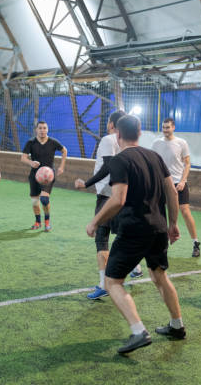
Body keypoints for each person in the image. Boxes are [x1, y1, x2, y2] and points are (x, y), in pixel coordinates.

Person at [86, 115, 186, 354]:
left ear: (117, 135)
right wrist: (172, 222)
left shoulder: (120, 160)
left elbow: (118, 199)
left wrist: (95, 221)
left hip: (134, 229)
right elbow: (171, 192)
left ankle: (138, 331)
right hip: (159, 227)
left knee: (112, 281)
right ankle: (177, 326)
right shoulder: (155, 157)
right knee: (159, 275)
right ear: (140, 133)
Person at [75, 111, 127, 300]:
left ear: (112, 124)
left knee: (101, 239)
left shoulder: (108, 139)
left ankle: (103, 284)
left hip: (107, 195)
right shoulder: (126, 142)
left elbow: (108, 166)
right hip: (123, 195)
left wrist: (86, 183)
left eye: (108, 122)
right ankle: (134, 269)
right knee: (123, 236)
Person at [151, 118, 201, 257]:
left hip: (178, 183)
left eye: (168, 127)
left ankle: (196, 243)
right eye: (163, 127)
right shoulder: (156, 143)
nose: (165, 130)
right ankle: (161, 244)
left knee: (185, 211)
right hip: (162, 184)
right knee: (160, 212)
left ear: (173, 127)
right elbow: (154, 163)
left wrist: (183, 181)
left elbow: (187, 164)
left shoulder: (181, 143)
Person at [21, 121, 67, 232]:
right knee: (34, 202)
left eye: (44, 128)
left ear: (47, 130)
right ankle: (37, 222)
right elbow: (23, 158)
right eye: (40, 128)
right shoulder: (31, 142)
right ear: (36, 130)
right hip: (34, 175)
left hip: (48, 175)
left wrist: (61, 167)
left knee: (44, 199)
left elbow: (64, 150)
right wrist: (31, 163)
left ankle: (47, 221)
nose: (42, 130)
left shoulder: (53, 142)